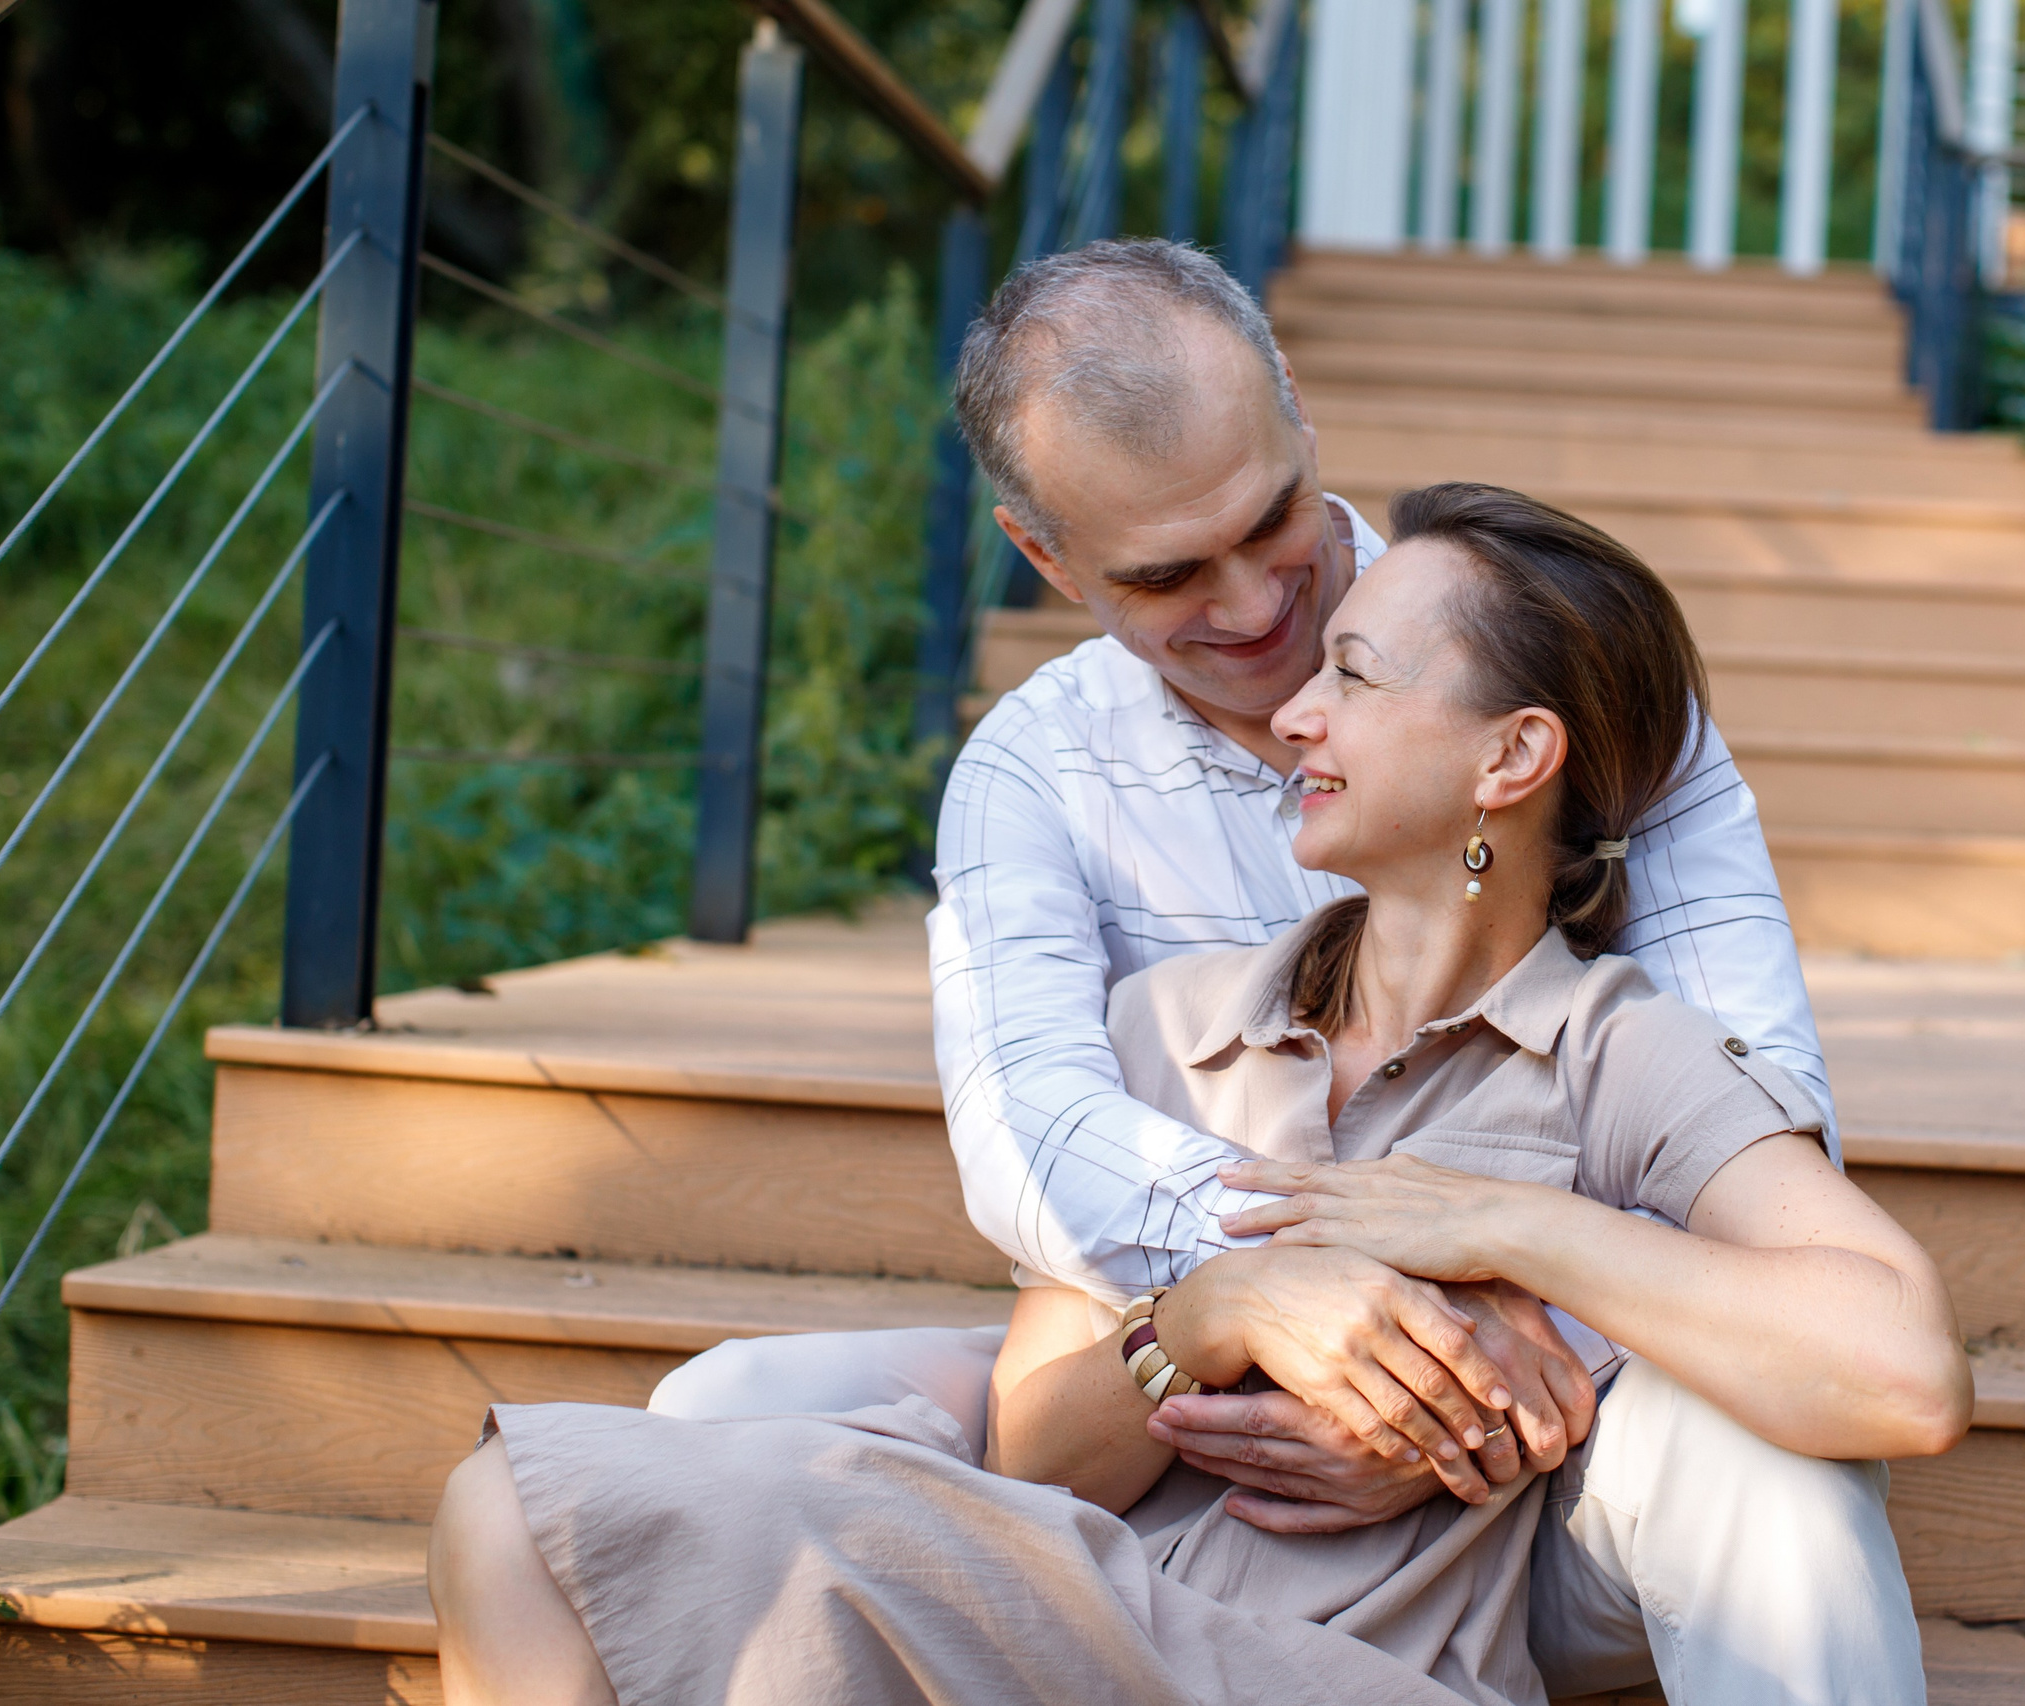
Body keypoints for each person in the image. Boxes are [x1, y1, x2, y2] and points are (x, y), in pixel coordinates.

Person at [426, 484, 1969, 1705]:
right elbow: (1037, 1457)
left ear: (1513, 755)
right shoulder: (1170, 1021)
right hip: (1079, 1623)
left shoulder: (1620, 1050)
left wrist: (1513, 1230)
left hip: (1348, 1670)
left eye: (1352, 675)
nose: (1296, 707)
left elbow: (1901, 1369)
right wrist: (1212, 1310)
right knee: (516, 1508)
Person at [659, 235, 1838, 1542]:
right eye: (1166, 575)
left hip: (1546, 1380)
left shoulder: (1555, 657)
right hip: (1192, 1380)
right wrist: (1328, 1297)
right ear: (1043, 560)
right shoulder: (1033, 771)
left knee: (1792, 1465)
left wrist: (1477, 1318)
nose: (1255, 604)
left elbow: (1767, 1100)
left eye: (1269, 516)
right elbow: (1029, 1135)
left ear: (1293, 399)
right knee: (711, 1417)